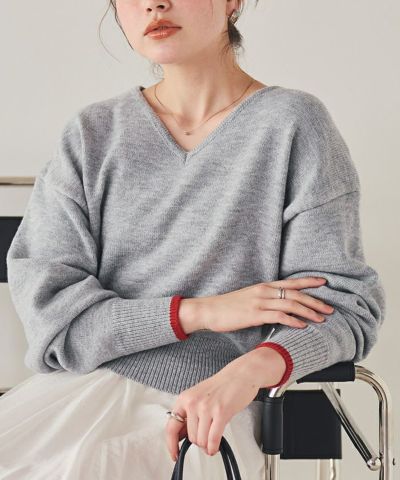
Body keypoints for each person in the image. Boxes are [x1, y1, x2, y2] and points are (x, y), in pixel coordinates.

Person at [0, 0, 386, 478]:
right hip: (76, 396)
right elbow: (54, 320)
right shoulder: (91, 135)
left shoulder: (293, 123)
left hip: (213, 410)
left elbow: (342, 307)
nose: (154, 4)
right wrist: (201, 312)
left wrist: (250, 371)